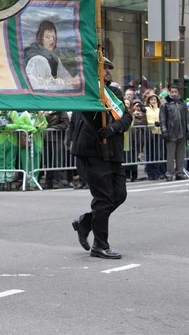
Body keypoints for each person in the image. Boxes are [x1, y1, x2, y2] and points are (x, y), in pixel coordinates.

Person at [71, 57, 132, 259]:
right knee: (103, 198)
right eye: (103, 68)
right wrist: (102, 129)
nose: (107, 71)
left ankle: (86, 222)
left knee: (119, 194)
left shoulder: (114, 92)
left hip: (113, 153)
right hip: (94, 152)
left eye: (108, 68)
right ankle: (100, 245)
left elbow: (127, 116)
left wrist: (113, 128)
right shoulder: (87, 93)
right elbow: (88, 120)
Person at [24, 20, 79, 91]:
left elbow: (65, 76)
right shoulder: (38, 59)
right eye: (48, 37)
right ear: (40, 38)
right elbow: (46, 86)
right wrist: (70, 85)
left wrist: (74, 81)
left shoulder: (54, 58)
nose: (52, 41)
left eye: (54, 38)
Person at [159, 85, 189, 181]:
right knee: (170, 155)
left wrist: (188, 130)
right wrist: (164, 131)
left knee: (180, 154)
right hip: (171, 132)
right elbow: (162, 119)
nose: (174, 94)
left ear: (178, 92)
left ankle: (179, 172)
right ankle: (169, 173)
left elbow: (187, 118)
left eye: (175, 92)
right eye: (172, 92)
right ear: (170, 92)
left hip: (182, 132)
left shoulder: (182, 102)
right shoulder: (165, 103)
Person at [0, 110, 20, 191]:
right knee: (0, 162)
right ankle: (1, 182)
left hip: (12, 141)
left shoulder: (14, 113)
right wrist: (1, 125)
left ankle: (9, 182)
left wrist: (6, 125)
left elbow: (17, 125)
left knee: (10, 162)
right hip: (0, 141)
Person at [43, 110, 69, 189]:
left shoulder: (61, 111)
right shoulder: (45, 111)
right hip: (46, 138)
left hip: (57, 138)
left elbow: (65, 124)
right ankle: (48, 181)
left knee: (57, 161)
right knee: (48, 161)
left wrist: (54, 128)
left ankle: (56, 181)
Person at [145, 93, 165, 180]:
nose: (153, 101)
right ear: (149, 101)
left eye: (155, 99)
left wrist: (159, 123)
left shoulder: (160, 109)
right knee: (150, 154)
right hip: (150, 133)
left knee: (158, 154)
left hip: (159, 133)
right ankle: (150, 173)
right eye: (151, 99)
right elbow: (145, 120)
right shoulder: (146, 109)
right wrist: (152, 123)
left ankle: (157, 173)